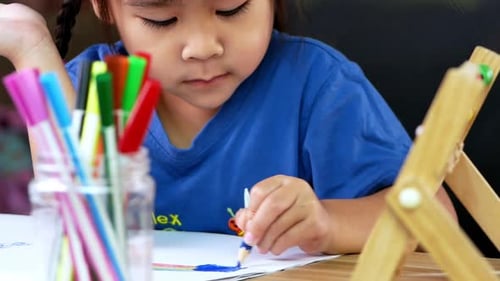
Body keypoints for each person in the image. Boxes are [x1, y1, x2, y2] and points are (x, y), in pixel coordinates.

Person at [0, 1, 456, 256]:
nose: (202, 47)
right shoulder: (104, 87)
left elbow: (432, 218)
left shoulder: (317, 85)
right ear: (107, 8)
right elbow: (80, 212)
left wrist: (327, 223)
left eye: (232, 7)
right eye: (161, 19)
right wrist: (34, 50)